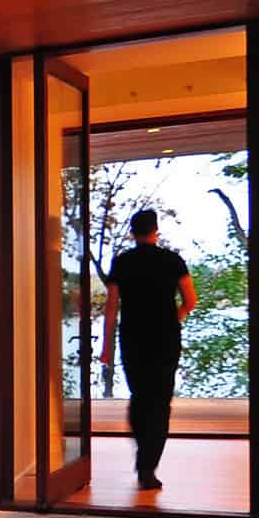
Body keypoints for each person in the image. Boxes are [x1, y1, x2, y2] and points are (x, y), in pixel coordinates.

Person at [99, 208, 197, 491]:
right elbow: (190, 300)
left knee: (140, 398)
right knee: (160, 402)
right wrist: (171, 319)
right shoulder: (173, 260)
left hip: (133, 339)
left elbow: (111, 309)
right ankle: (148, 467)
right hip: (166, 340)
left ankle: (143, 457)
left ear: (133, 232)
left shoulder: (123, 263)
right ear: (156, 231)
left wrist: (107, 348)